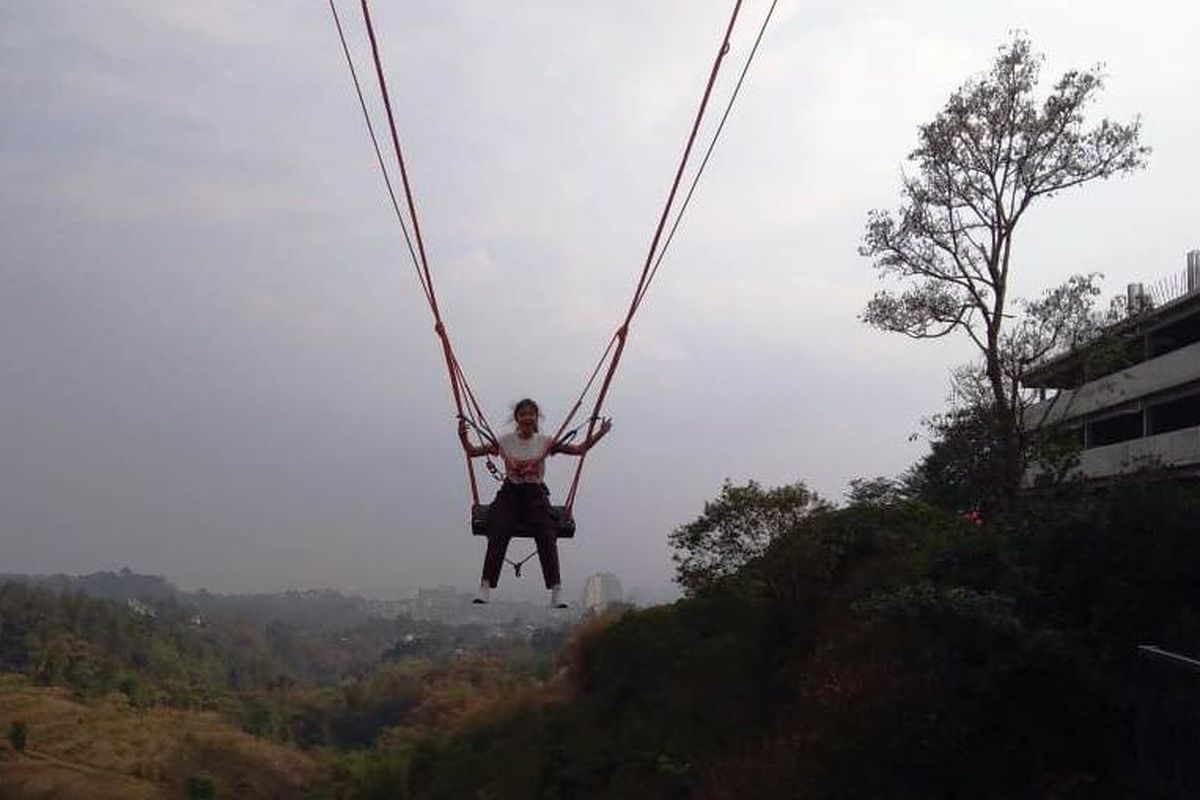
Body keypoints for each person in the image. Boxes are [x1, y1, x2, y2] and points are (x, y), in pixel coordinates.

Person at [458, 398, 612, 608]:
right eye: (523, 413)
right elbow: (473, 452)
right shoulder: (505, 442)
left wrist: (600, 433)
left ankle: (556, 589)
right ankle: (485, 586)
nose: (527, 417)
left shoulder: (545, 442)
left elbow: (579, 450)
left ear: (536, 418)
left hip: (535, 495)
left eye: (531, 413)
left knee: (546, 532)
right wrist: (463, 437)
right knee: (499, 530)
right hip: (510, 493)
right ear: (517, 418)